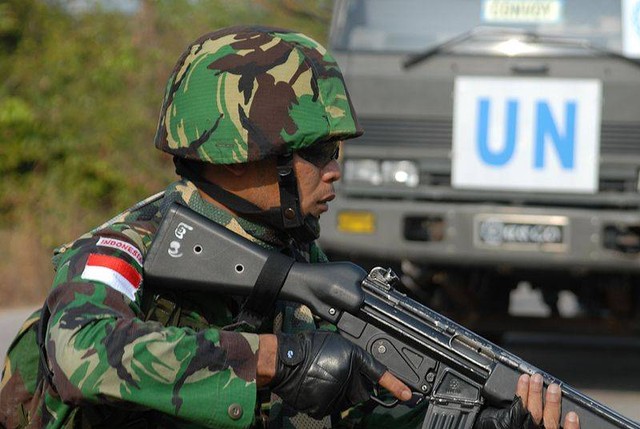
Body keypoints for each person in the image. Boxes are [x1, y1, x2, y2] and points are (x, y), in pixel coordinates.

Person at [0, 25, 579, 429]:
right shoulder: (128, 246)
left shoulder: (299, 260)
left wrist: (482, 419)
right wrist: (282, 358)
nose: (335, 172)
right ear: (244, 154)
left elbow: (343, 412)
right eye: (319, 151)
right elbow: (81, 353)